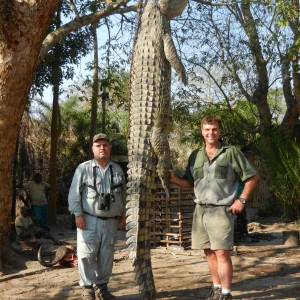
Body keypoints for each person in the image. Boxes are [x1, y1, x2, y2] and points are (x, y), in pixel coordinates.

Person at [169, 115, 259, 300]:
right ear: (202, 131)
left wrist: (241, 200)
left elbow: (252, 177)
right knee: (208, 252)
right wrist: (174, 179)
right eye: (207, 129)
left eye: (214, 129)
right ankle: (217, 288)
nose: (211, 133)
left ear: (219, 131)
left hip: (221, 210)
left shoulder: (231, 152)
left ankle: (226, 293)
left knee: (222, 253)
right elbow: (189, 182)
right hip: (200, 210)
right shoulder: (196, 155)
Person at [68, 133, 126, 300]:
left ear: (110, 148)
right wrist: (77, 214)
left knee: (106, 255)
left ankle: (102, 288)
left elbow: (123, 194)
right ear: (93, 148)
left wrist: (123, 214)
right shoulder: (83, 168)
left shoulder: (117, 169)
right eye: (98, 145)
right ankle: (87, 290)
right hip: (89, 219)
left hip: (111, 222)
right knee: (86, 254)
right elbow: (74, 194)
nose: (102, 148)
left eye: (105, 145)